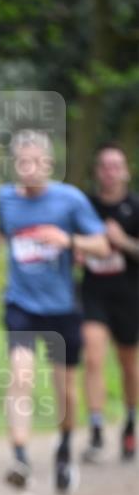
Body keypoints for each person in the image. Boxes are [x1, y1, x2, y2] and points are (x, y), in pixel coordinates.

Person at [0, 130, 109, 493]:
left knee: (66, 390)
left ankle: (64, 449)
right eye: (22, 162)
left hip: (62, 307)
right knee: (21, 376)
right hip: (21, 304)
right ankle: (20, 458)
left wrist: (69, 240)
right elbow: (2, 231)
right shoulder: (6, 198)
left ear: (49, 164)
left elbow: (102, 245)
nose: (29, 169)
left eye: (36, 162)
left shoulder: (70, 200)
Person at [79, 144, 139, 462]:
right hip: (94, 293)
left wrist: (122, 241)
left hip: (129, 295)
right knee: (93, 357)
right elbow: (73, 240)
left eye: (116, 166)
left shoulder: (135, 207)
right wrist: (78, 250)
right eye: (105, 166)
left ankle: (129, 422)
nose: (110, 172)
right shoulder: (85, 206)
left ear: (126, 171)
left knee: (129, 365)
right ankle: (97, 430)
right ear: (97, 171)